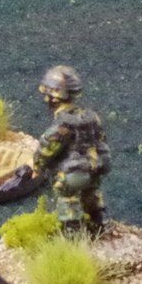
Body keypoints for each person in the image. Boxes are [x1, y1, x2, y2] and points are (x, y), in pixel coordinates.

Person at [32, 65, 110, 237]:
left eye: (47, 95)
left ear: (53, 97)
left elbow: (47, 147)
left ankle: (73, 235)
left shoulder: (63, 124)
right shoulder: (91, 116)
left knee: (67, 199)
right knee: (92, 195)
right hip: (95, 168)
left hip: (73, 173)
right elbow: (101, 141)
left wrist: (37, 166)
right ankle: (101, 225)